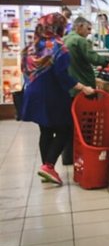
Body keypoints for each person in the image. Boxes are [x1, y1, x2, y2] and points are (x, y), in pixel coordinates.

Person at [20, 13, 95, 185]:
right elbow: (62, 76)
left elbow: (25, 70)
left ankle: (46, 169)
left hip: (33, 93)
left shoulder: (30, 47)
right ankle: (48, 166)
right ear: (58, 27)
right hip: (52, 94)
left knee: (45, 130)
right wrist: (83, 87)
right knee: (65, 129)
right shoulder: (58, 47)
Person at [62, 16, 109, 165]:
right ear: (79, 27)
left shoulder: (65, 39)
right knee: (86, 125)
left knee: (71, 124)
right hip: (84, 88)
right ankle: (84, 154)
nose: (89, 32)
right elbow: (95, 59)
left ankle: (68, 156)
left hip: (70, 88)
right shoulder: (80, 41)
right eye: (88, 29)